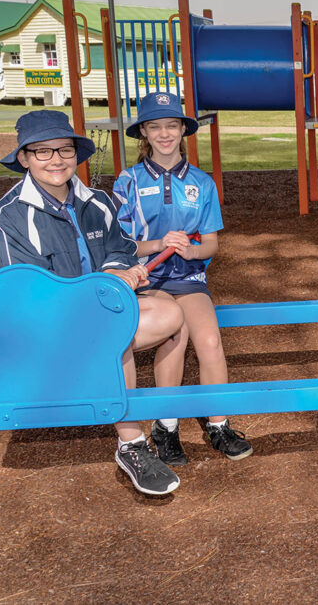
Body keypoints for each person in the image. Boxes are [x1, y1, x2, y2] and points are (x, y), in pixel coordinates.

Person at [0, 109, 187, 496]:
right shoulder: (6, 219)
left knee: (171, 312)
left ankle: (165, 422)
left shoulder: (97, 201)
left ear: (77, 154)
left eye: (63, 149)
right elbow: (26, 296)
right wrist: (104, 285)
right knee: (113, 333)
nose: (55, 159)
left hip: (96, 309)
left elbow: (122, 250)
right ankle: (131, 444)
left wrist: (122, 272)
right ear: (24, 158)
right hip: (46, 328)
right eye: (41, 151)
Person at [113, 92, 252, 466]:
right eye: (155, 126)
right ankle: (167, 425)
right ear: (143, 131)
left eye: (171, 126)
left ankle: (218, 422)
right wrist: (158, 244)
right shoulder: (127, 182)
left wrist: (192, 251)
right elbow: (121, 245)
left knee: (209, 340)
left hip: (188, 279)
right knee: (175, 339)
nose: (164, 134)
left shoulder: (203, 183)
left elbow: (211, 244)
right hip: (146, 279)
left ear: (182, 130)